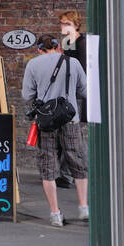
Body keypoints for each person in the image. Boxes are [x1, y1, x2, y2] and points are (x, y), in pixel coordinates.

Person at [21, 34, 88, 226]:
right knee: (78, 161)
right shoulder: (72, 62)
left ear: (39, 49)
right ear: (58, 47)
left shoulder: (33, 65)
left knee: (48, 166)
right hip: (70, 119)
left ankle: (55, 213)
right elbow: (84, 90)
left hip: (46, 122)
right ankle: (83, 207)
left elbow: (27, 94)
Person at [56, 10, 89, 189]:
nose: (64, 27)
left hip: (75, 95)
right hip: (64, 93)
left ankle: (69, 174)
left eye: (67, 23)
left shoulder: (82, 43)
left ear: (76, 25)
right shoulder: (65, 43)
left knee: (73, 135)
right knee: (62, 133)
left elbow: (82, 72)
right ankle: (64, 173)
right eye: (62, 23)